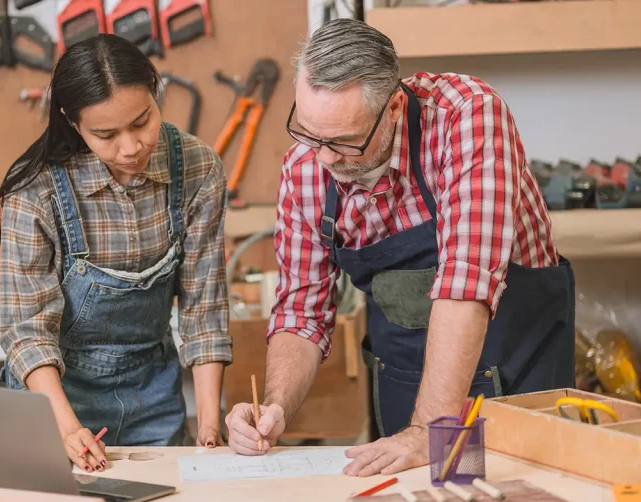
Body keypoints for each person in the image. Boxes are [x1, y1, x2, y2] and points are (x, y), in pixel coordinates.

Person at [225, 18, 575, 476]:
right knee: (421, 499)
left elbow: (465, 284)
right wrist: (275, 408)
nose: (323, 158)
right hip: (411, 382)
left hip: (516, 372)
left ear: (393, 109)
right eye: (309, 133)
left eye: (344, 142)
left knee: (519, 495)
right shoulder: (306, 166)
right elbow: (301, 313)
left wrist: (429, 430)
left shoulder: (467, 117)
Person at [0, 34, 232, 474]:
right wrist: (66, 429)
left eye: (142, 122)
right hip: (56, 397)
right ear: (73, 122)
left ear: (156, 94)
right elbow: (26, 330)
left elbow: (205, 310)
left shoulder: (198, 168)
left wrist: (210, 427)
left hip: (152, 392)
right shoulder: (36, 191)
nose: (130, 147)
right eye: (105, 134)